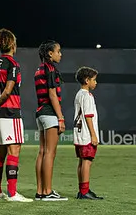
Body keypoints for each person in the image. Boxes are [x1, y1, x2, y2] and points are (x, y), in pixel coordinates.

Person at [0, 28, 31, 202]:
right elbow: (7, 91)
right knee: (14, 151)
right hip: (10, 111)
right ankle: (12, 193)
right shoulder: (12, 64)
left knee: (0, 153)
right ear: (12, 44)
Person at [34, 40, 67, 201]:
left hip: (40, 113)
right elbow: (53, 95)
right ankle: (47, 192)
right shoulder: (50, 69)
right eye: (58, 51)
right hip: (50, 113)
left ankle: (40, 191)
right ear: (50, 53)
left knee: (42, 151)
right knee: (50, 153)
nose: (60, 54)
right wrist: (60, 117)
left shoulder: (39, 69)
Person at [74, 67, 103, 200]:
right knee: (87, 161)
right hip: (86, 134)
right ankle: (84, 191)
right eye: (94, 80)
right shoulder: (87, 96)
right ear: (87, 80)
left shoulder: (79, 94)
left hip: (79, 134)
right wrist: (93, 134)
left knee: (82, 162)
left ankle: (82, 190)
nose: (96, 82)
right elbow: (88, 115)